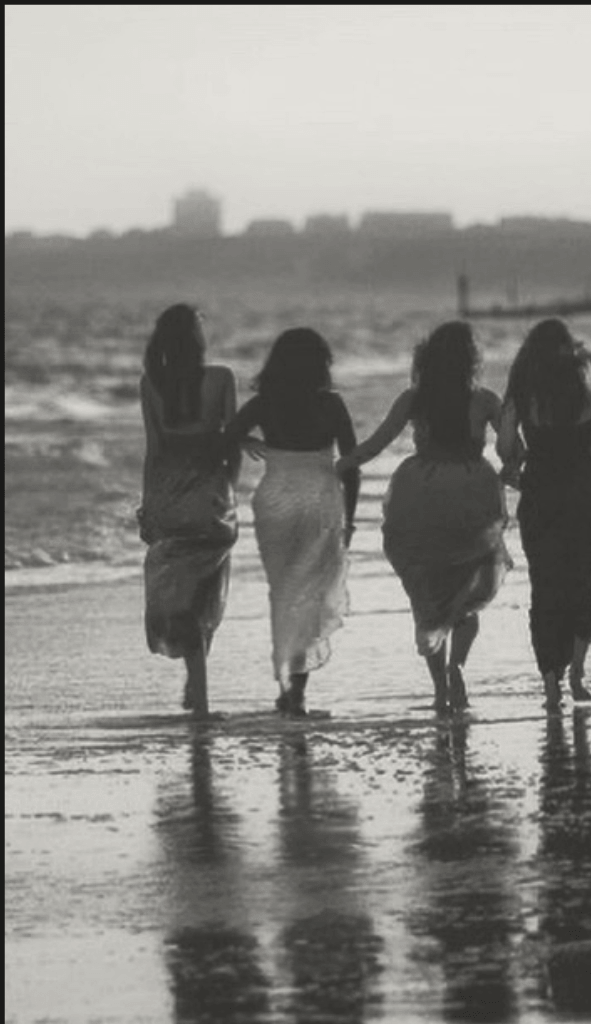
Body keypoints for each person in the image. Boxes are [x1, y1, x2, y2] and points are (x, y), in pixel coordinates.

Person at [336, 321, 510, 712]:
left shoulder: (414, 399)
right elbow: (514, 449)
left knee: (428, 597)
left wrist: (337, 466)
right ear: (471, 361)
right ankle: (457, 668)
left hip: (422, 496)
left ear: (426, 359)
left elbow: (374, 445)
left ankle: (439, 691)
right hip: (471, 496)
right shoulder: (484, 400)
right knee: (467, 593)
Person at [225, 328, 358, 717]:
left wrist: (248, 443)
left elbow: (224, 437)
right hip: (320, 501)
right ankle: (296, 688)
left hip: (277, 499)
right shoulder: (331, 405)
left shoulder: (264, 403)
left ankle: (285, 682)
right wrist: (349, 520)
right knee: (311, 594)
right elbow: (349, 465)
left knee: (282, 592)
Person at [497, 319, 591, 711]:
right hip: (588, 484)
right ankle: (578, 674)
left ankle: (551, 684)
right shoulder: (587, 383)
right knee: (583, 578)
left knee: (545, 584)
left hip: (543, 487)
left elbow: (506, 445)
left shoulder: (522, 391)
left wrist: (518, 460)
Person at [138, 303, 239, 719]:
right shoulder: (221, 378)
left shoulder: (151, 383)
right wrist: (229, 489)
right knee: (205, 589)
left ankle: (194, 681)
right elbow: (231, 442)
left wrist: (149, 506)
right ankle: (199, 696)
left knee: (178, 589)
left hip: (169, 494)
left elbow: (155, 450)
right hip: (209, 495)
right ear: (195, 338)